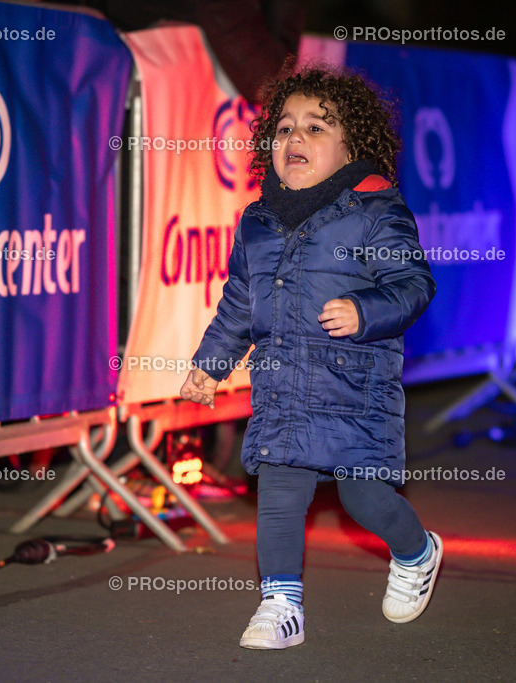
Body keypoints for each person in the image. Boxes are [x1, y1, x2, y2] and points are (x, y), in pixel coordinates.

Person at [180, 62, 441, 649]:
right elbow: (239, 304)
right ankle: (281, 603)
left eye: (315, 129)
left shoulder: (376, 211)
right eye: (284, 129)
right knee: (278, 491)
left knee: (363, 497)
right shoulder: (259, 222)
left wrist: (366, 310)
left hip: (355, 392)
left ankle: (417, 552)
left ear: (352, 147)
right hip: (281, 392)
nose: (294, 139)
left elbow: (414, 284)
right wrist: (210, 363)